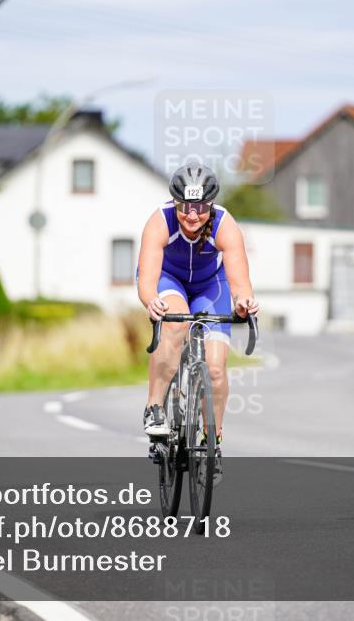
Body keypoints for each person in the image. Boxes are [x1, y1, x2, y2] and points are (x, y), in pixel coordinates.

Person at [136, 159, 260, 479]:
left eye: (201, 207)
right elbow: (148, 281)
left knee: (216, 369)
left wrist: (244, 301)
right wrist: (151, 301)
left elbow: (239, 281)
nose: (192, 215)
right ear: (176, 203)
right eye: (185, 207)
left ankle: (211, 442)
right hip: (168, 279)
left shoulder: (224, 224)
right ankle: (155, 407)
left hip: (210, 285)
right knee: (175, 324)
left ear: (211, 204)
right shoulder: (160, 221)